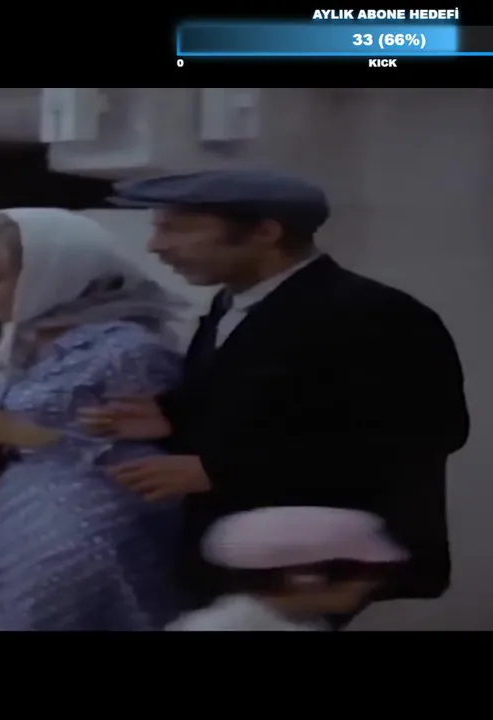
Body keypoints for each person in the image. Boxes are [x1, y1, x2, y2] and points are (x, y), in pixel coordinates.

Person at [80, 169, 470, 629]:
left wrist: (219, 472)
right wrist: (172, 417)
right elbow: (273, 406)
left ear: (266, 232)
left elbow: (418, 434)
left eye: (179, 228)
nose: (156, 246)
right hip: (231, 550)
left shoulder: (371, 312)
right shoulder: (232, 304)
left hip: (316, 562)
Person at [0, 208, 187, 631]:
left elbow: (148, 456)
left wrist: (9, 431)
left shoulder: (127, 349)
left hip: (86, 526)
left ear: (55, 276)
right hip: (8, 515)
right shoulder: (23, 341)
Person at [167, 506, 408, 631]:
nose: (373, 583)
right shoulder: (217, 627)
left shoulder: (304, 622)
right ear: (305, 577)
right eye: (363, 572)